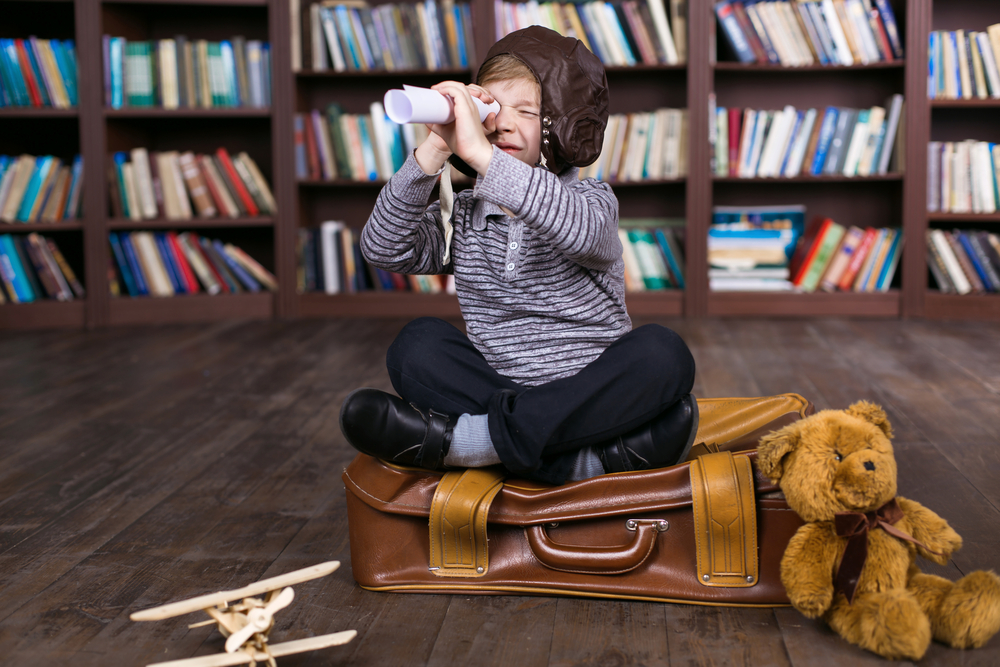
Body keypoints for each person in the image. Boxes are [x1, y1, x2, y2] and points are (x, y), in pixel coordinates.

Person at [339, 26, 696, 485]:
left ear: (565, 124)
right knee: (415, 346)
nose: (503, 123)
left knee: (664, 353)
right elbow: (383, 246)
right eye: (490, 108)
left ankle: (467, 445)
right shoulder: (465, 213)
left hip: (589, 391)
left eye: (527, 111)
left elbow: (581, 234)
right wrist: (434, 149)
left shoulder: (593, 200)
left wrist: (485, 159)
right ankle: (586, 459)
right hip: (496, 387)